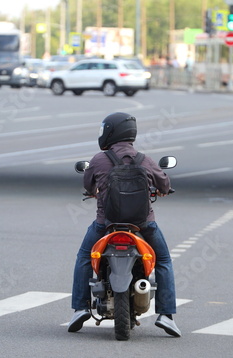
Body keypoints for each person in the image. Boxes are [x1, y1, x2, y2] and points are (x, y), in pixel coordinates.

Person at [68, 112, 181, 337]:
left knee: (83, 258)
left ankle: (80, 308)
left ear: (110, 132)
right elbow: (164, 183)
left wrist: (95, 191)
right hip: (143, 225)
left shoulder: (99, 160)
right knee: (164, 260)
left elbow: (88, 185)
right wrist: (163, 189)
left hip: (105, 225)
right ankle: (166, 315)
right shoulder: (144, 160)